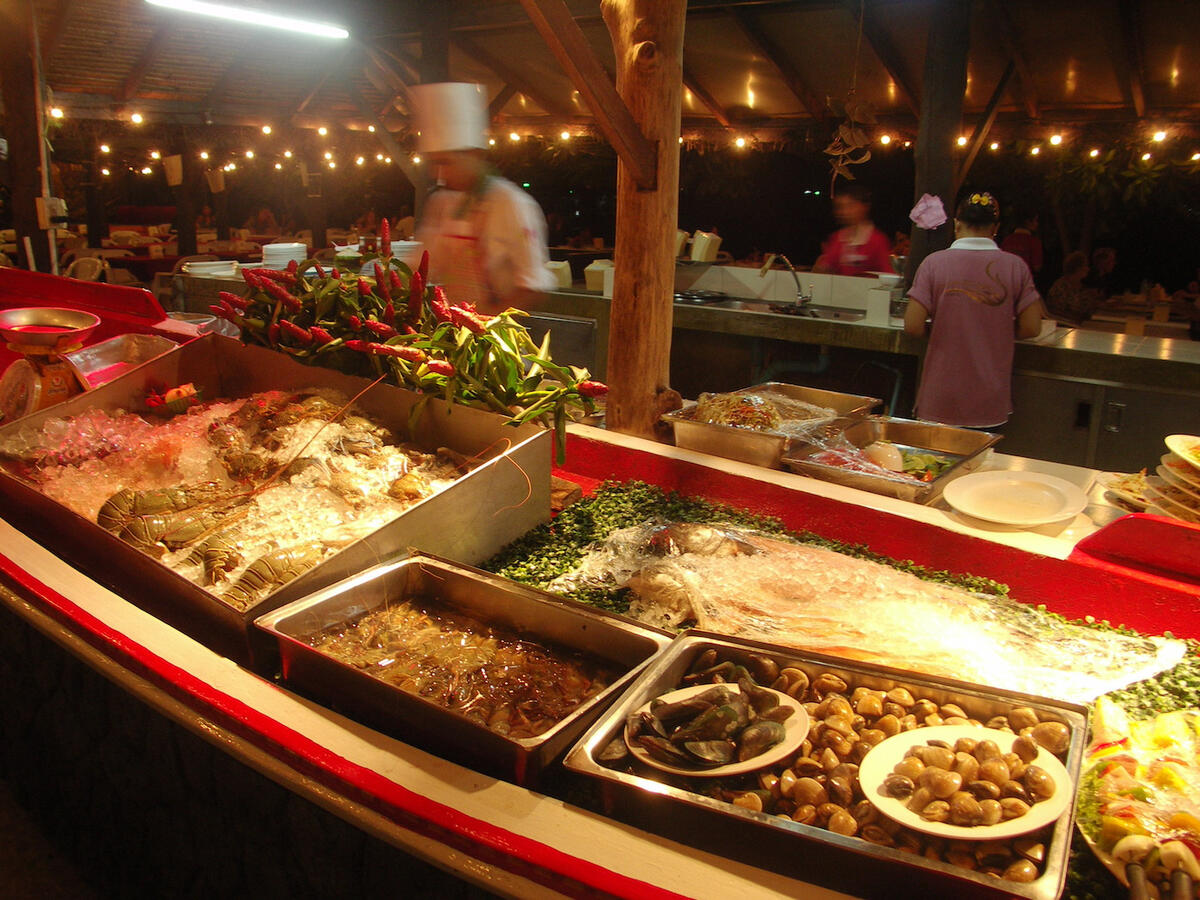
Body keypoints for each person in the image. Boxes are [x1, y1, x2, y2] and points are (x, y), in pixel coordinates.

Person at [904, 191, 1043, 429]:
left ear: (957, 224)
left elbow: (912, 325)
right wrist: (996, 330)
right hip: (989, 399)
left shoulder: (934, 264)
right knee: (983, 465)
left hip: (940, 396)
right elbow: (1032, 327)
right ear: (995, 228)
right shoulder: (1015, 267)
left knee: (932, 465)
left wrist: (940, 330)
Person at [413, 82, 554, 315]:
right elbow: (421, 265)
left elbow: (533, 287)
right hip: (451, 329)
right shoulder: (441, 203)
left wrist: (487, 321)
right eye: (434, 163)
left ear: (474, 154)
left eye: (446, 163)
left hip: (497, 335)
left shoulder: (511, 203)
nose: (439, 175)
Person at [812, 183, 893, 277]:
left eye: (850, 206)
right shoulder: (837, 238)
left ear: (864, 207)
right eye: (840, 207)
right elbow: (825, 270)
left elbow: (888, 275)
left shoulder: (877, 240)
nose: (845, 211)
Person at [1045, 252, 1101, 323]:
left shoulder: (1079, 285)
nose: (1088, 269)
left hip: (1085, 322)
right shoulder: (1061, 287)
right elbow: (1055, 312)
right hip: (1069, 326)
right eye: (1086, 266)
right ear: (1078, 268)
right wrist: (1078, 319)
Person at [1000, 206, 1043, 276]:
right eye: (1036, 220)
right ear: (1028, 222)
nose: (1037, 224)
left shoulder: (1006, 240)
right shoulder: (1034, 242)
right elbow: (1037, 267)